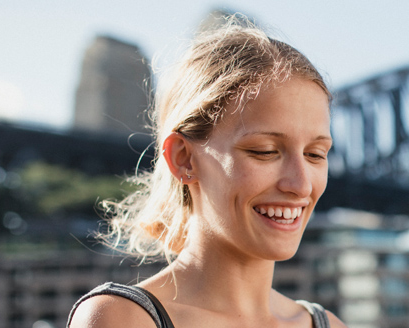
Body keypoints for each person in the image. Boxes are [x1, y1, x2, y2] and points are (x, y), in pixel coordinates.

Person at [67, 22, 346, 328]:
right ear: (184, 158)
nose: (301, 184)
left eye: (315, 155)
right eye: (264, 151)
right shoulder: (123, 318)